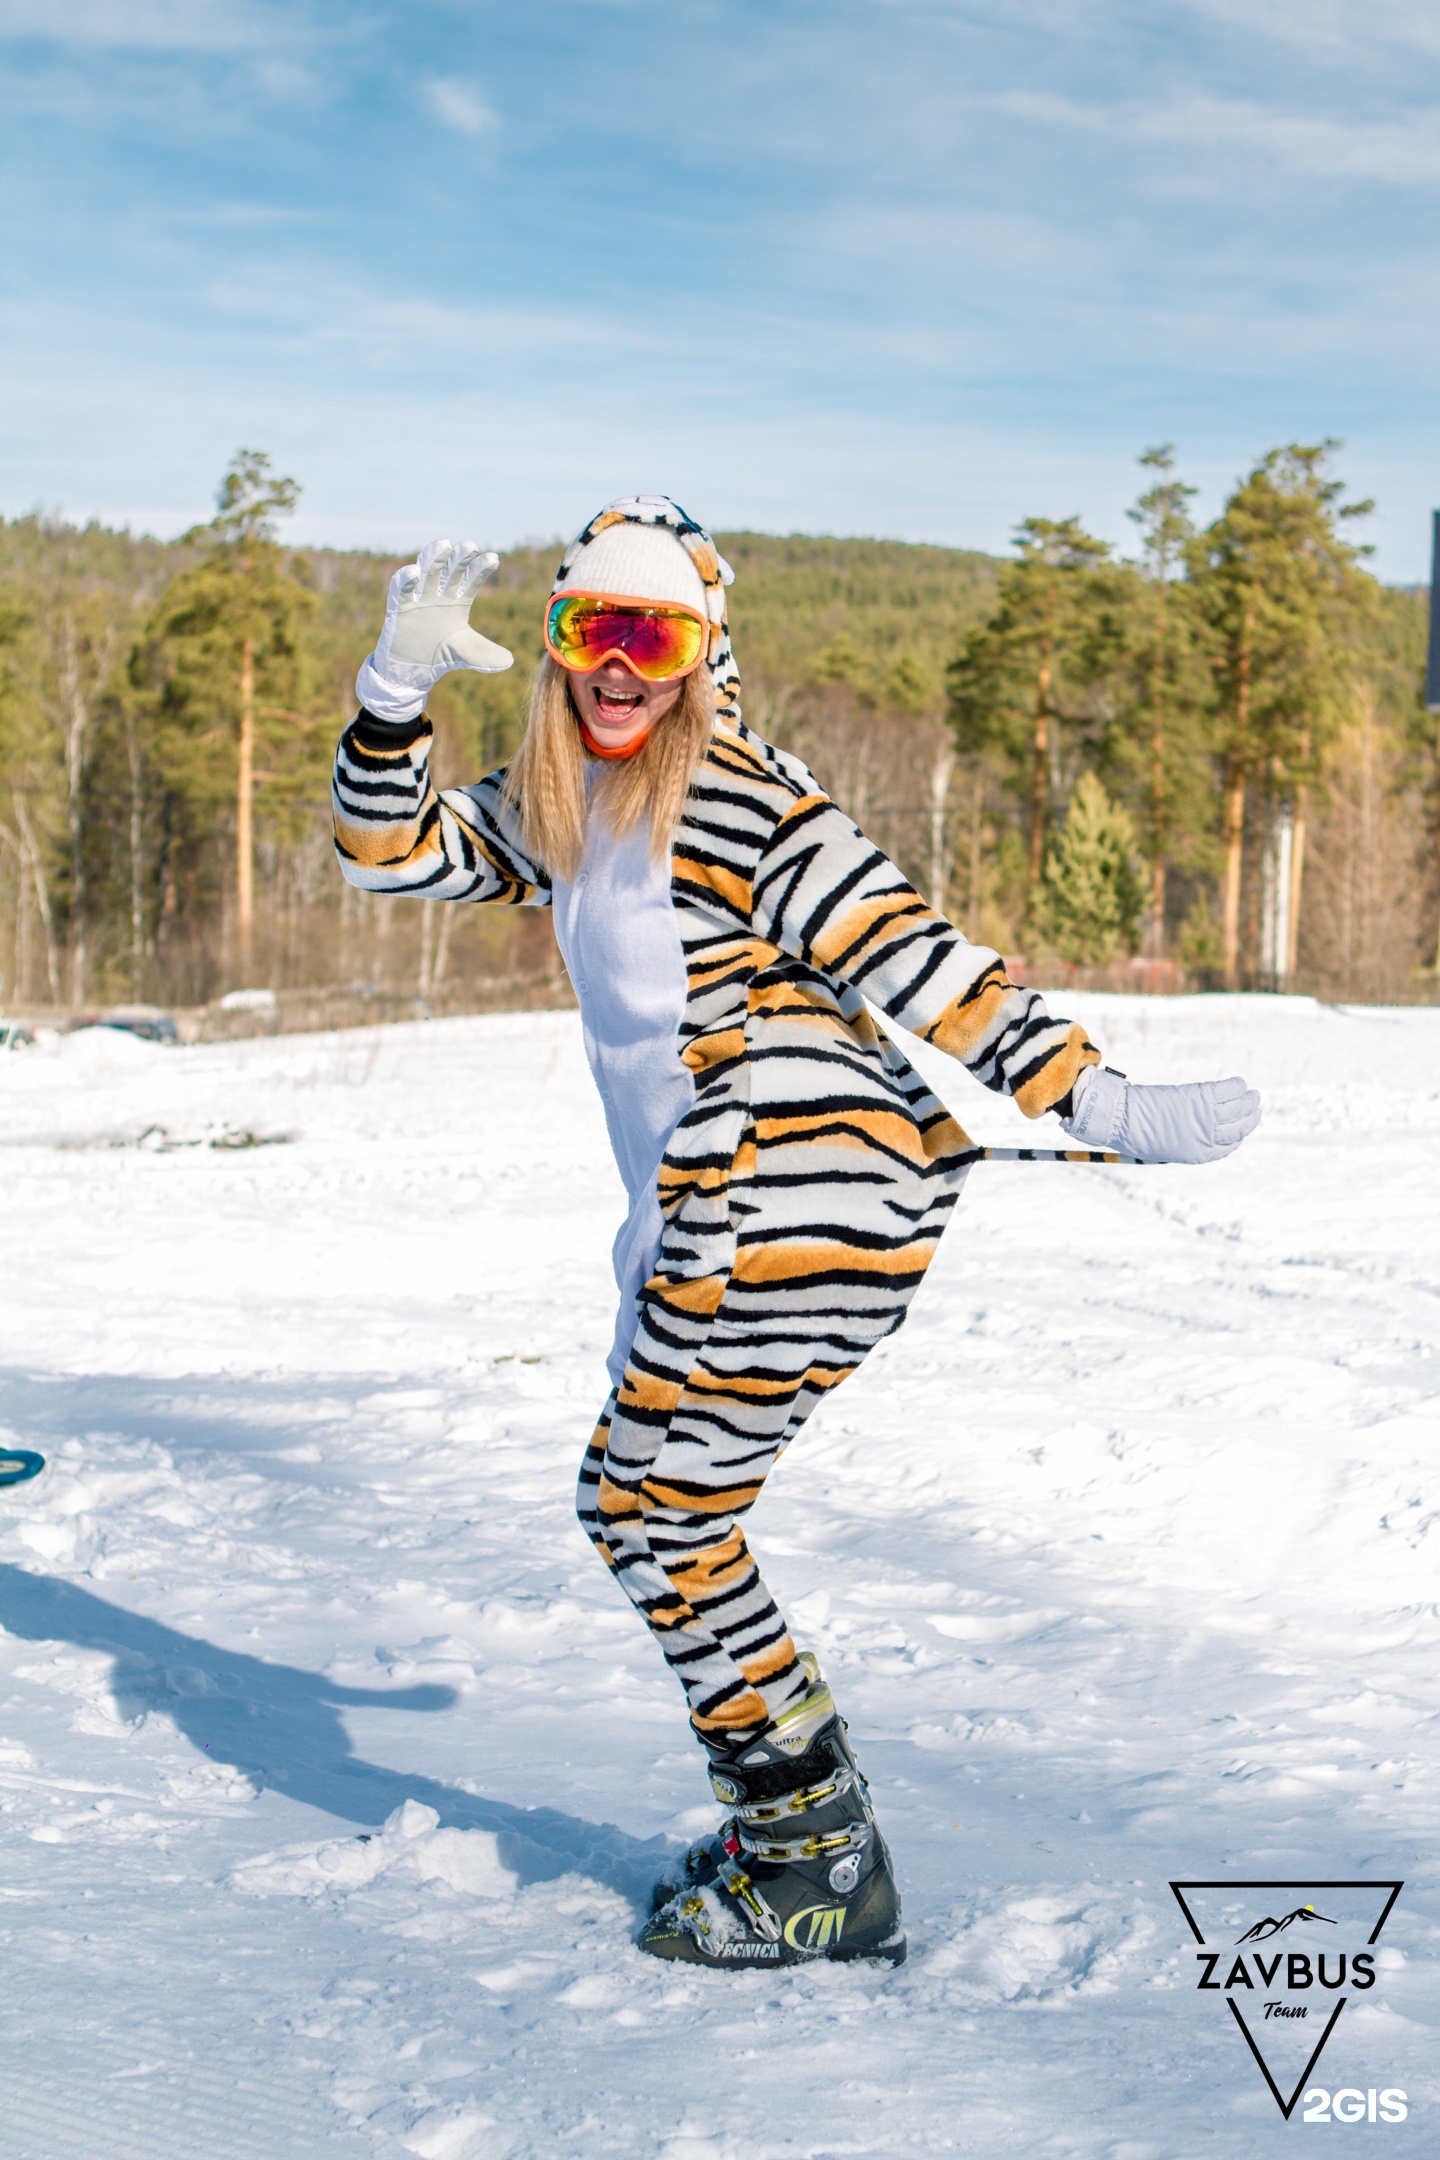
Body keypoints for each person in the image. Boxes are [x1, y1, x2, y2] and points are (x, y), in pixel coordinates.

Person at [331, 495, 1260, 1969]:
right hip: (737, 1213)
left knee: (656, 1515)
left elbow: (911, 951)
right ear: (560, 648)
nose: (620, 668)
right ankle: (801, 1820)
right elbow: (385, 857)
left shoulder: (741, 799)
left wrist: (1098, 1096)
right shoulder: (563, 802)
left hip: (793, 1200)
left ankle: (813, 1856)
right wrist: (393, 692)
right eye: (592, 631)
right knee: (656, 1510)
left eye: (657, 637)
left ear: (704, 655)